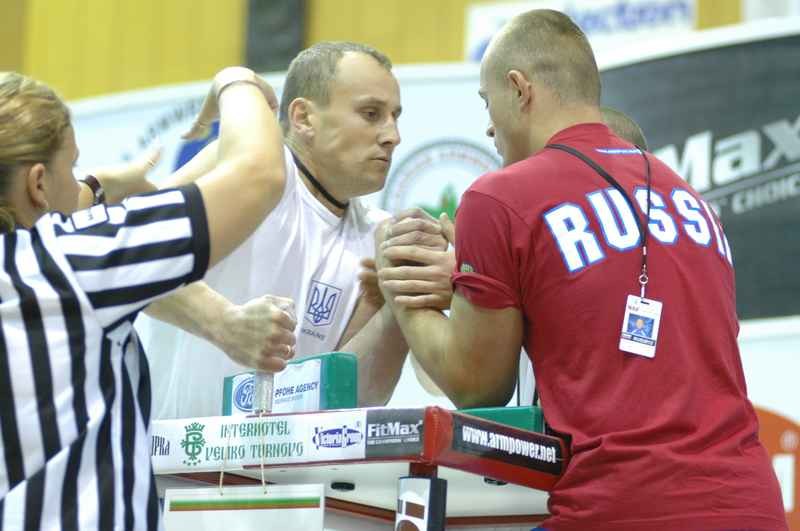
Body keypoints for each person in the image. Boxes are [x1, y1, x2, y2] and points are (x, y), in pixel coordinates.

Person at [375, 9, 787, 530]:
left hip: (625, 507)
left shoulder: (500, 196)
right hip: (751, 505)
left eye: (486, 102)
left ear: (518, 88)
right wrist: (474, 277)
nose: (486, 124)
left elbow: (479, 387)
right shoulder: (687, 197)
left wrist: (401, 290)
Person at [0, 67, 288, 530]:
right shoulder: (69, 258)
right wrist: (236, 82)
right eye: (69, 168)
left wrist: (92, 187)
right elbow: (258, 174)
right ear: (37, 184)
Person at [138, 42, 447, 418]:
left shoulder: (379, 234)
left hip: (290, 476)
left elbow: (355, 398)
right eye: (371, 114)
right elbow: (131, 255)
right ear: (303, 118)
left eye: (395, 117)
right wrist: (223, 323)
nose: (392, 135)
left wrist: (392, 309)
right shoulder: (247, 167)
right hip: (173, 470)